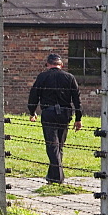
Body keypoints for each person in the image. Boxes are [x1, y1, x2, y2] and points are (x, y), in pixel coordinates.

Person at [27, 53, 82, 184]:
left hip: (48, 113)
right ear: (61, 65)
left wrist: (32, 111)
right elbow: (77, 99)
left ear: (47, 64)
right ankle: (52, 177)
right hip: (65, 114)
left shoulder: (42, 77)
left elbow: (34, 95)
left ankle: (56, 177)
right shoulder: (69, 77)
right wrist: (78, 118)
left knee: (52, 145)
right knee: (59, 146)